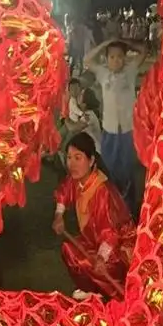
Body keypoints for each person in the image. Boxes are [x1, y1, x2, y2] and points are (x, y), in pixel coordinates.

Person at [52, 132, 136, 301]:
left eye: (78, 158)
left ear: (91, 161)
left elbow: (110, 233)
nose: (72, 164)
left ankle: (111, 293)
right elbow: (64, 191)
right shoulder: (77, 179)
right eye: (69, 157)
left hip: (117, 248)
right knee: (69, 251)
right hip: (94, 240)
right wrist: (59, 215)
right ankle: (91, 290)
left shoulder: (101, 191)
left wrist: (101, 257)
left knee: (94, 264)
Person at [83, 38, 147, 214]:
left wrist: (124, 41)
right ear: (106, 58)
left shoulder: (130, 71)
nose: (116, 60)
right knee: (111, 168)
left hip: (127, 130)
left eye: (120, 56)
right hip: (110, 131)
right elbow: (87, 60)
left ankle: (129, 209)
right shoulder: (103, 74)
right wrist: (107, 42)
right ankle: (113, 206)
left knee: (127, 169)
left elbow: (143, 51)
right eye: (112, 56)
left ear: (125, 58)